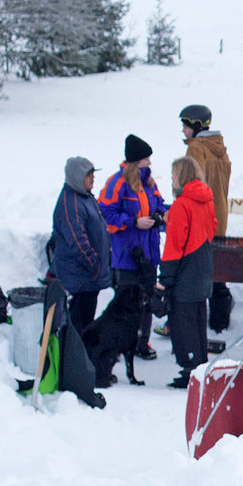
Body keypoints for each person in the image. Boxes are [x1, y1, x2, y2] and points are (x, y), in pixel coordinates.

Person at [98, 135, 169, 360]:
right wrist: (132, 222)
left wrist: (159, 217)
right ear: (135, 160)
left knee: (146, 301)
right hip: (128, 255)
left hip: (149, 254)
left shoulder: (149, 182)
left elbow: (159, 204)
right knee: (126, 303)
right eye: (145, 158)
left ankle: (141, 343)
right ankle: (122, 344)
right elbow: (106, 214)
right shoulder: (116, 182)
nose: (149, 162)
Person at [160, 156, 216, 388]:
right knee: (198, 320)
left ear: (181, 176)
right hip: (202, 266)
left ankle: (190, 367)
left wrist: (166, 277)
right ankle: (200, 365)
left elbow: (174, 243)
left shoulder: (181, 204)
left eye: (173, 174)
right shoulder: (206, 199)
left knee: (182, 322)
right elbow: (211, 227)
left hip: (184, 269)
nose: (172, 179)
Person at [180, 104, 234, 333]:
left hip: (201, 216)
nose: (183, 130)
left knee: (195, 268)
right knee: (215, 265)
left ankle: (192, 323)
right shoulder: (220, 148)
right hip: (219, 213)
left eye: (185, 125)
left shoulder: (196, 149)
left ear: (196, 125)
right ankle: (220, 320)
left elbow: (193, 184)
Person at [50, 156, 110, 334]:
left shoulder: (84, 197)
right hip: (81, 278)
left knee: (86, 320)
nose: (93, 178)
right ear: (77, 177)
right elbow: (78, 242)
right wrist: (95, 266)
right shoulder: (71, 204)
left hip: (88, 277)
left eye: (93, 174)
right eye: (88, 175)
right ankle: (77, 359)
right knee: (79, 326)